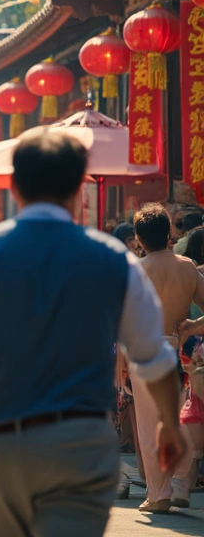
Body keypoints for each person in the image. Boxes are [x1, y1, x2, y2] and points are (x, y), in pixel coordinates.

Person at [0, 130, 185, 536]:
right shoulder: (113, 259)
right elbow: (152, 355)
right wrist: (169, 422)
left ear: (15, 185)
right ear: (80, 187)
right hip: (81, 442)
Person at [130, 204, 201, 510]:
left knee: (150, 421)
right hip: (181, 348)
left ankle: (158, 493)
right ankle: (182, 485)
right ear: (169, 233)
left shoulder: (135, 270)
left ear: (139, 239)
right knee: (182, 416)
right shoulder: (187, 267)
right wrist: (195, 325)